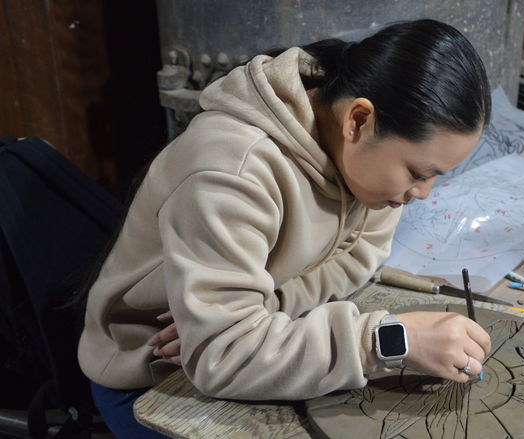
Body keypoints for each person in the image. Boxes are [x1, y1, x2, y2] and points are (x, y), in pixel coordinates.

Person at [78, 19, 492, 438]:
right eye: (419, 172)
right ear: (359, 121)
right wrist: (389, 340)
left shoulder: (371, 171)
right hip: (153, 378)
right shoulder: (232, 170)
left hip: (235, 348)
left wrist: (268, 309)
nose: (423, 192)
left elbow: (359, 256)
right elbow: (222, 359)